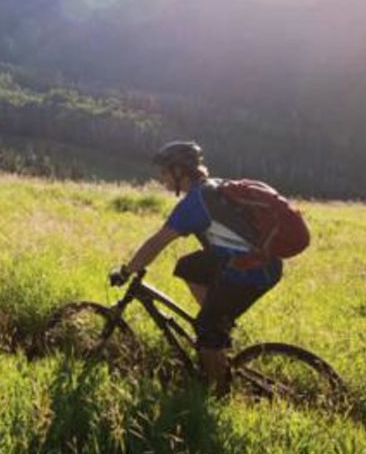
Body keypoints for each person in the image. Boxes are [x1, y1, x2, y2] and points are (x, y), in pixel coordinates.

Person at [109, 140, 283, 395]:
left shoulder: (194, 203)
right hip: (252, 262)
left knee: (207, 330)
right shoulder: (212, 187)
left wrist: (127, 271)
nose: (162, 178)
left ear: (180, 172)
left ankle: (218, 393)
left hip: (251, 271)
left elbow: (157, 242)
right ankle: (216, 328)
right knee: (188, 266)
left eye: (165, 172)